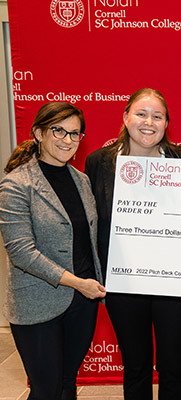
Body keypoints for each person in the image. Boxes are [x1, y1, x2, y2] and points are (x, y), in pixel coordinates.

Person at [85, 88, 181, 400]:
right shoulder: (99, 163)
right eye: (141, 113)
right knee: (136, 366)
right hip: (124, 283)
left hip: (174, 285)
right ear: (125, 117)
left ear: (166, 124)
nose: (149, 122)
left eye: (157, 116)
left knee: (174, 367)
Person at [0, 102, 106, 400]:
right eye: (58, 130)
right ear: (38, 133)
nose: (67, 140)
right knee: (45, 390)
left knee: (67, 384)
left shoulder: (81, 180)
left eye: (75, 134)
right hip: (38, 303)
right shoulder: (16, 184)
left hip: (82, 303)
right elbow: (22, 252)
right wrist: (77, 283)